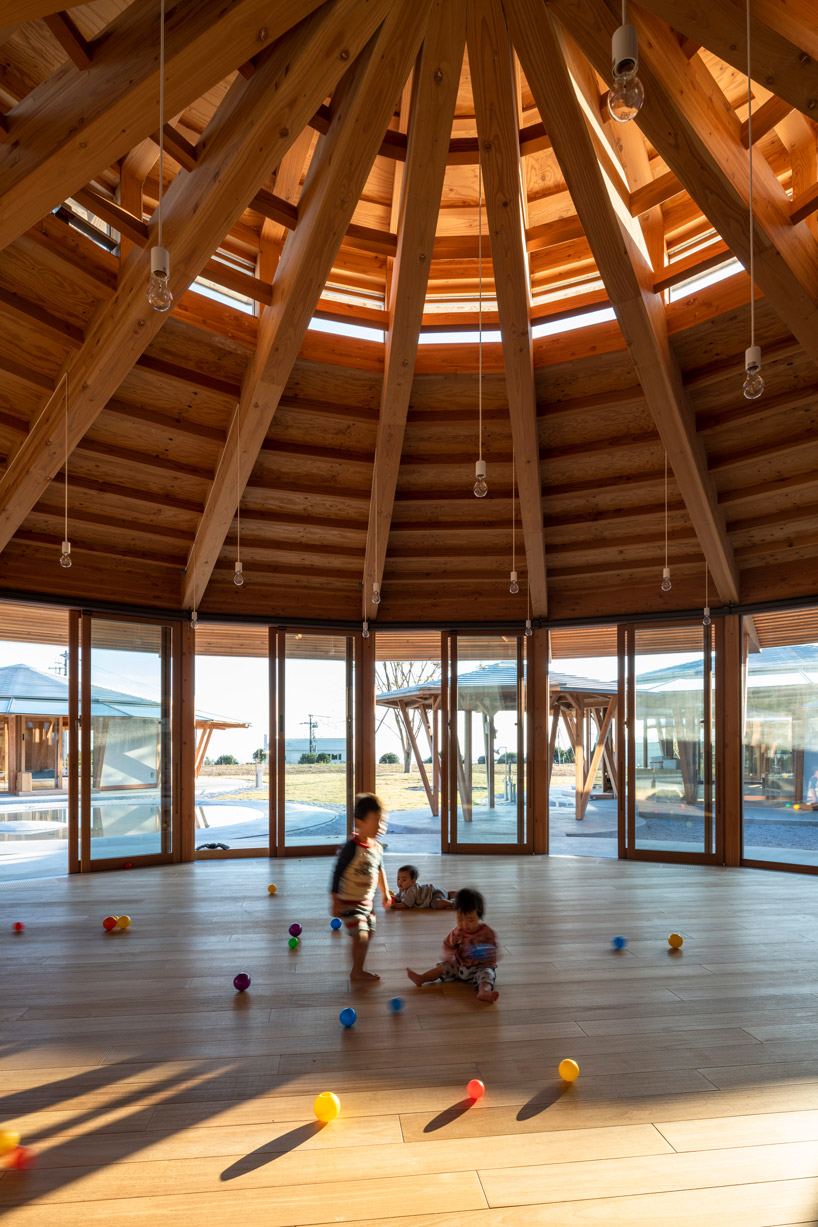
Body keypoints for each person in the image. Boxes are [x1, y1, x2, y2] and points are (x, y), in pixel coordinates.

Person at [330, 793, 391, 982]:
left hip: (367, 902)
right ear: (359, 822)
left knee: (369, 933)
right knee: (361, 937)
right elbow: (337, 872)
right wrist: (335, 900)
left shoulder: (377, 848)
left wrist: (385, 892)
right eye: (375, 821)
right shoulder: (351, 847)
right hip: (349, 901)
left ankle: (359, 969)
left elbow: (379, 870)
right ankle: (356, 971)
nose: (380, 826)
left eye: (382, 821)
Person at [406, 886, 499, 1002]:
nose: (464, 924)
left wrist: (487, 954)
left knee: (487, 975)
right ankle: (422, 978)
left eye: (470, 920)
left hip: (480, 967)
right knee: (442, 967)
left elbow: (494, 952)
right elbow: (448, 945)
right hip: (459, 965)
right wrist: (448, 955)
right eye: (460, 919)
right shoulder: (456, 932)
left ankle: (484, 991)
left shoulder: (487, 933)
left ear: (479, 915)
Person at [390, 864, 455, 910]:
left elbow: (406, 905)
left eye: (404, 880)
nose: (400, 882)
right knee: (446, 894)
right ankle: (456, 894)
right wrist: (393, 899)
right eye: (398, 879)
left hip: (433, 895)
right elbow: (399, 896)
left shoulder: (411, 890)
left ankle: (452, 904)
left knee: (435, 904)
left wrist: (395, 905)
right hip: (436, 891)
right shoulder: (403, 888)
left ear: (413, 882)